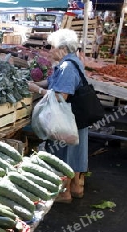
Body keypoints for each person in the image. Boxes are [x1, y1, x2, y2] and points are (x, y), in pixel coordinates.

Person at [27, 29, 87, 203]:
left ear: (62, 48)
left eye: (52, 47)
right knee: (74, 153)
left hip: (67, 118)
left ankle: (64, 193)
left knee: (64, 155)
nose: (49, 50)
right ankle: (76, 188)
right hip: (76, 117)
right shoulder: (72, 62)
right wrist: (35, 83)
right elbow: (54, 83)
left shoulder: (67, 67)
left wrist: (37, 90)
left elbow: (61, 96)